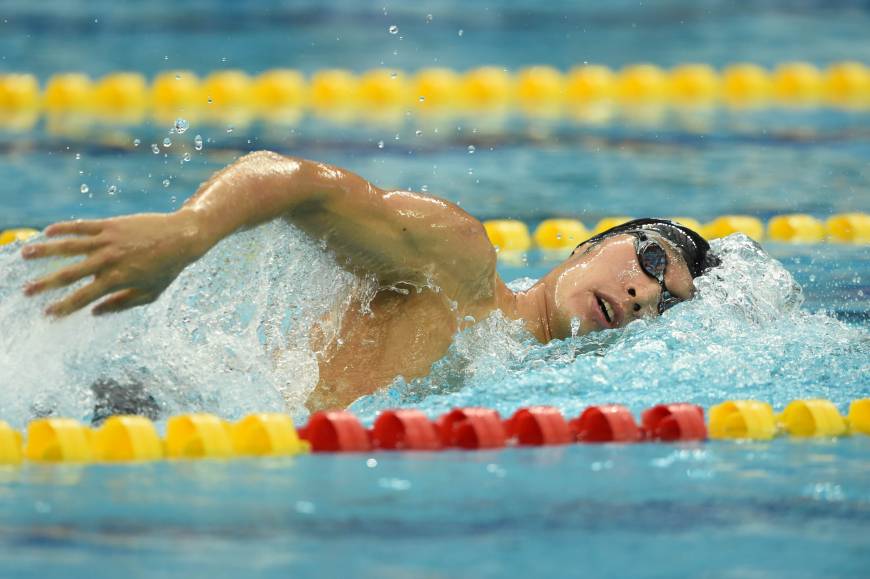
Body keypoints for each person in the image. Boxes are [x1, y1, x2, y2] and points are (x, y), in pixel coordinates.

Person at [21, 151, 719, 411]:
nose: (641, 295)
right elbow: (302, 183)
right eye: (650, 261)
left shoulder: (535, 391)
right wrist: (187, 233)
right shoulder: (457, 265)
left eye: (665, 305)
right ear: (591, 244)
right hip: (142, 415)